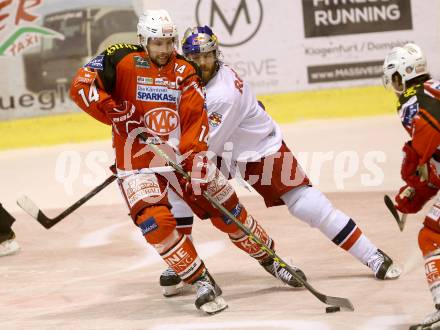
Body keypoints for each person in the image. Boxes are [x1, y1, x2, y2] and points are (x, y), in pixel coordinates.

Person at [69, 9, 306, 314]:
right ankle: (200, 279)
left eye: (169, 42)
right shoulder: (121, 57)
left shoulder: (184, 70)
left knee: (228, 211)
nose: (165, 49)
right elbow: (81, 84)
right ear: (144, 40)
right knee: (155, 222)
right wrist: (114, 112)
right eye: (157, 43)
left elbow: (195, 118)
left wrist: (195, 156)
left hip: (181, 156)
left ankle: (273, 260)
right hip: (137, 161)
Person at [158, 25, 402, 295]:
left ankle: (372, 254)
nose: (203, 62)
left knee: (305, 204)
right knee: (176, 188)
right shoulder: (185, 78)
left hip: (258, 149)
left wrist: (165, 151)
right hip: (224, 149)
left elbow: (202, 145)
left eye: (208, 55)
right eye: (195, 56)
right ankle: (182, 265)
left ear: (217, 54)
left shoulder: (223, 94)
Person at [383, 43, 440, 329]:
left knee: (431, 236)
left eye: (394, 78)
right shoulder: (434, 88)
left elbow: (431, 135)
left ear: (402, 75)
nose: (393, 84)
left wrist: (415, 174)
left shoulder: (412, 101)